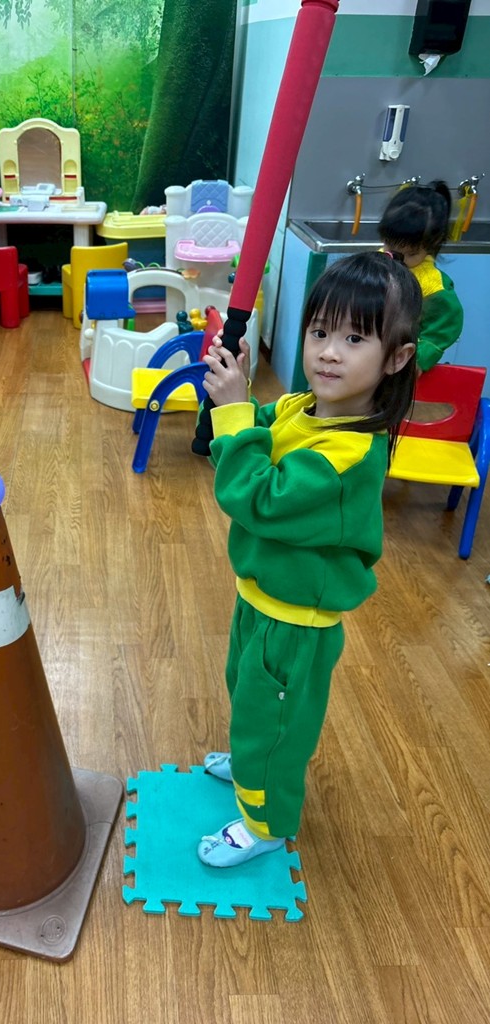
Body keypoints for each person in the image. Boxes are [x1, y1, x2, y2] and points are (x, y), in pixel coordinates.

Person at [196, 251, 421, 868]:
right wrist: (240, 394)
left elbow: (258, 496)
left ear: (396, 358)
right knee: (247, 696)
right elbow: (257, 433)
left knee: (274, 729)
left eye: (355, 339)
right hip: (260, 596)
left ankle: (265, 822)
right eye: (320, 332)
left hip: (295, 622)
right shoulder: (302, 409)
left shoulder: (346, 459)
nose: (329, 352)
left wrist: (233, 414)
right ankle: (251, 761)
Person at [378, 180, 463, 373]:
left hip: (401, 360)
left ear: (431, 245)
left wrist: (420, 359)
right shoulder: (376, 260)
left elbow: (442, 328)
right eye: (391, 248)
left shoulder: (433, 285)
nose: (399, 259)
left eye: (411, 254)